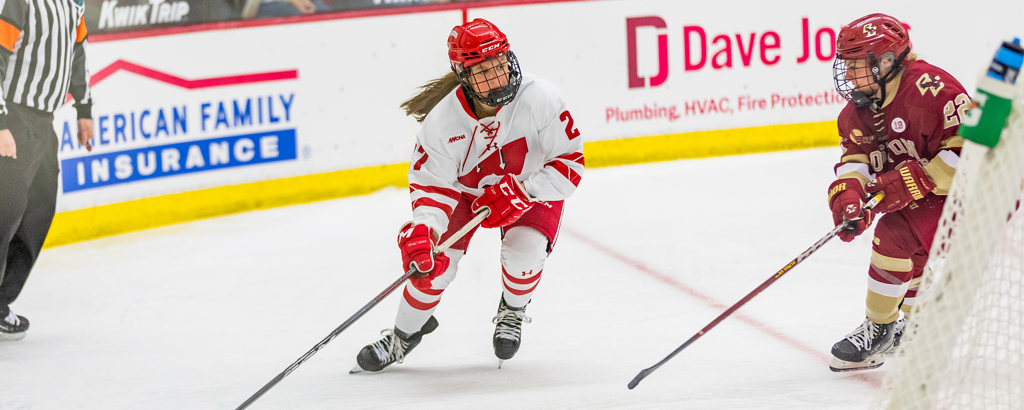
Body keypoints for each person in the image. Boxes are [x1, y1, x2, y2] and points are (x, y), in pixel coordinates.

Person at [351, 18, 584, 372]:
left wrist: (522, 191)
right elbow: (432, 186)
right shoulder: (442, 122)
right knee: (432, 269)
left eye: (500, 65)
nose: (497, 78)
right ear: (463, 75)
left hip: (534, 186)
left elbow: (569, 164)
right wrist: (424, 231)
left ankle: (513, 309)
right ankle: (403, 336)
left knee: (525, 252)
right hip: (465, 194)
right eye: (483, 72)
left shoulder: (542, 98)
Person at [825, 13, 969, 371]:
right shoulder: (859, 109)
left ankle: (880, 329)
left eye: (858, 64)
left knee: (895, 234)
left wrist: (914, 180)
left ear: (888, 61)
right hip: (939, 190)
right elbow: (855, 157)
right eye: (847, 64)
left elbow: (974, 155)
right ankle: (915, 325)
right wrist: (849, 196)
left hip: (982, 191)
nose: (850, 74)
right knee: (910, 246)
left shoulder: (933, 89)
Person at [0, 0, 95, 341]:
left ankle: (0, 302)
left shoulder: (73, 3)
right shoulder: (19, 2)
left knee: (37, 213)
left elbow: (77, 51)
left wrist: (84, 108)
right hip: (12, 117)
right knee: (5, 212)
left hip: (42, 124)